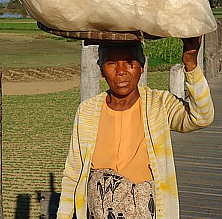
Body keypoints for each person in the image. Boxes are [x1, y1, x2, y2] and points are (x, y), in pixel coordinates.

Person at [57, 37, 214, 219]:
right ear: (101, 70)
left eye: (130, 62)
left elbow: (202, 116)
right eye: (112, 63)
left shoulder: (159, 104)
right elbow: (73, 172)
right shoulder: (87, 111)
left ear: (142, 67)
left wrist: (191, 65)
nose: (121, 71)